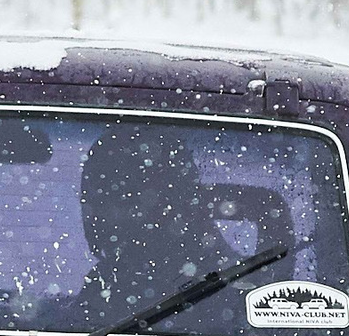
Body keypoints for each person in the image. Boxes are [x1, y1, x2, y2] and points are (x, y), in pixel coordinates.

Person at [74, 124, 234, 317]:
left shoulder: (224, 287)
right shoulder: (105, 281)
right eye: (92, 200)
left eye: (125, 198)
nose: (96, 215)